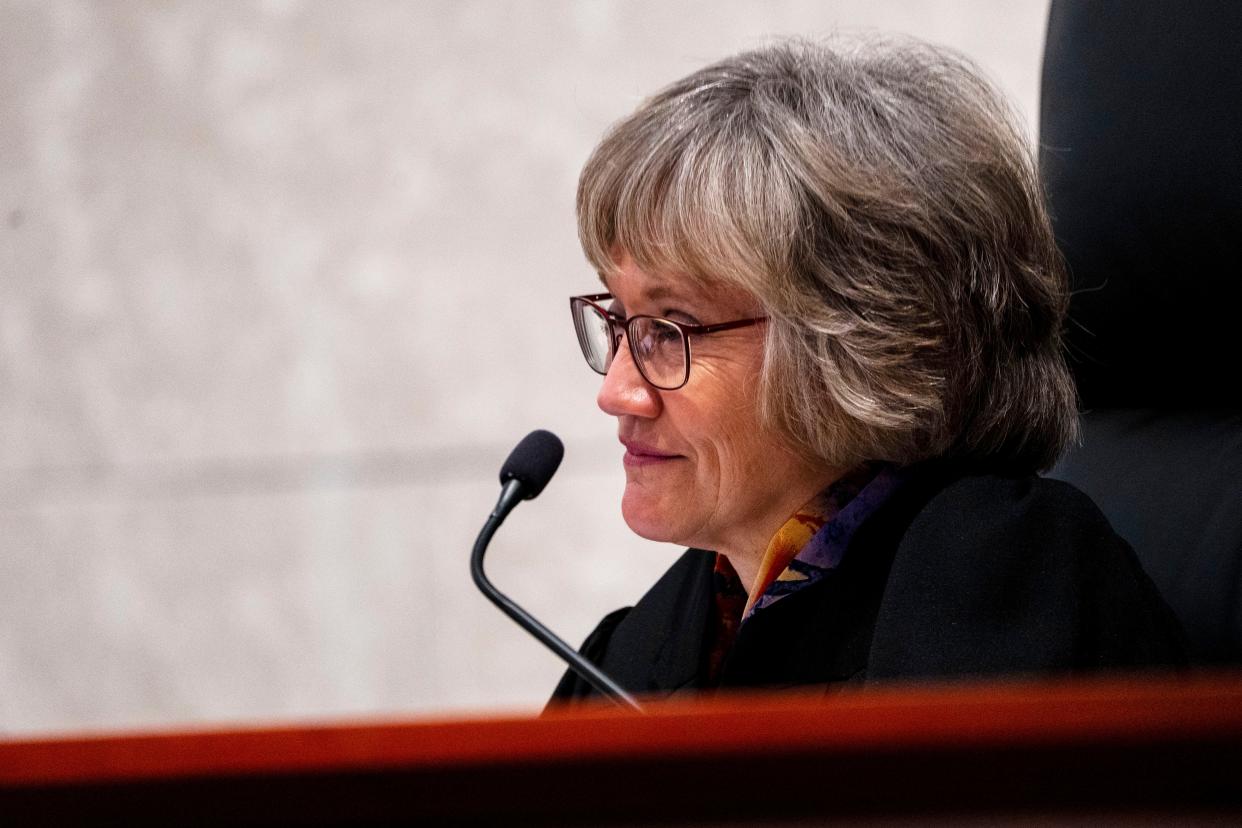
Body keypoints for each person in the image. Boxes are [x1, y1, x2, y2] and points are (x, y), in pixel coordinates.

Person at [550, 36, 1185, 703]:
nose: (617, 391)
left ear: (856, 338)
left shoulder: (1008, 588)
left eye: (669, 328)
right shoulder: (642, 651)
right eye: (618, 321)